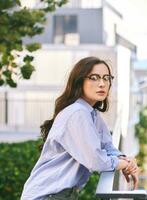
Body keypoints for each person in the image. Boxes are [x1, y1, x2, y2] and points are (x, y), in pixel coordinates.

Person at [21, 57, 139, 200]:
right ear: (79, 81)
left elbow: (107, 147)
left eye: (106, 78)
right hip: (46, 196)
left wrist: (125, 159)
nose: (102, 84)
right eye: (94, 78)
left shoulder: (91, 113)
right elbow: (96, 160)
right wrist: (124, 164)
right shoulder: (77, 113)